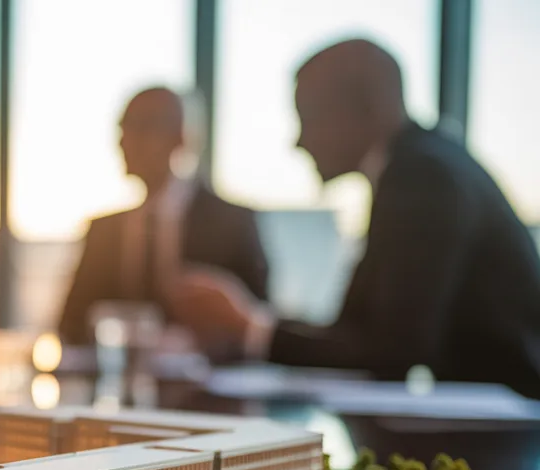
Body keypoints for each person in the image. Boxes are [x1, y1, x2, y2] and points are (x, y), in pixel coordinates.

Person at [169, 40, 540, 396]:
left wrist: (249, 326)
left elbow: (394, 351)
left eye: (309, 117)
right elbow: (357, 330)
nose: (298, 141)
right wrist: (254, 322)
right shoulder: (415, 166)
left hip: (510, 422)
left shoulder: (423, 176)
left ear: (367, 109)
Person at [57, 87, 269, 344]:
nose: (125, 141)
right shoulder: (102, 231)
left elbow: (257, 325)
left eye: (142, 127)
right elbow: (70, 323)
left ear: (180, 138)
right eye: (124, 129)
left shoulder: (232, 222)